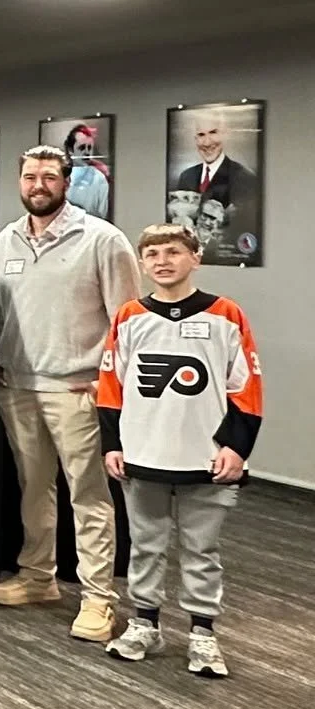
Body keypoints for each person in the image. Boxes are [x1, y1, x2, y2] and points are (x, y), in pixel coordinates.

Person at [0, 145, 143, 642]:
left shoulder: (102, 239)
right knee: (34, 488)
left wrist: (107, 381)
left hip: (77, 389)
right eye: (30, 176)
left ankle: (99, 597)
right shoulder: (4, 240)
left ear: (66, 181)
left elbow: (129, 322)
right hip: (18, 386)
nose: (38, 185)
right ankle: (38, 577)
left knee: (90, 495)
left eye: (49, 177)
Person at [98, 223, 261, 678]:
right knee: (144, 546)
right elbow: (112, 384)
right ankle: (144, 622)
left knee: (201, 549)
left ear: (196, 258)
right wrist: (113, 443)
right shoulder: (129, 315)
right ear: (143, 263)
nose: (162, 261)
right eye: (152, 254)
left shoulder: (226, 314)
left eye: (173, 252)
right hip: (144, 455)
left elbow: (246, 386)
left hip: (204, 458)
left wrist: (236, 446)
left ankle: (203, 633)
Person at [172, 109, 257, 257]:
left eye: (213, 132)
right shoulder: (186, 176)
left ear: (224, 134)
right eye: (201, 135)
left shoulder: (244, 177)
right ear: (195, 139)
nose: (206, 142)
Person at [62, 124, 111, 219]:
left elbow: (102, 214)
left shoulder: (99, 179)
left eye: (89, 148)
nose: (87, 153)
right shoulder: (60, 177)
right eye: (82, 148)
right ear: (71, 150)